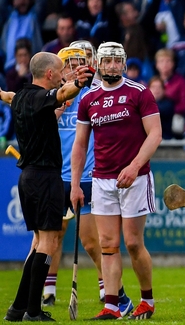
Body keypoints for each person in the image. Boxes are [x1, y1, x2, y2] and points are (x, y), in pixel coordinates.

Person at [70, 42, 162, 320]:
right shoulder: (88, 98)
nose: (111, 65)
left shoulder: (139, 93)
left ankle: (147, 299)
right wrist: (75, 185)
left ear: (123, 64)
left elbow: (155, 134)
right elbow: (80, 145)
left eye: (116, 60)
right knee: (108, 245)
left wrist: (134, 167)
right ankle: (113, 305)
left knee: (133, 243)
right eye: (106, 61)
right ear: (98, 64)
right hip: (101, 180)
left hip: (136, 178)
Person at [41, 46, 133, 314]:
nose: (74, 68)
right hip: (58, 176)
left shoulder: (95, 93)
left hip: (90, 176)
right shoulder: (56, 95)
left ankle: (110, 288)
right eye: (69, 63)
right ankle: (45, 290)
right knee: (52, 235)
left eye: (79, 62)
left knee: (92, 241)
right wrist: (59, 108)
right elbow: (42, 123)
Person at [6, 51, 90, 322]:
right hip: (45, 178)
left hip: (28, 178)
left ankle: (17, 309)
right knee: (49, 242)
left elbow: (8, 96)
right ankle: (32, 311)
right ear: (50, 74)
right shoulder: (44, 97)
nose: (64, 71)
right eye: (61, 68)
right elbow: (63, 94)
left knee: (40, 242)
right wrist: (79, 82)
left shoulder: (22, 97)